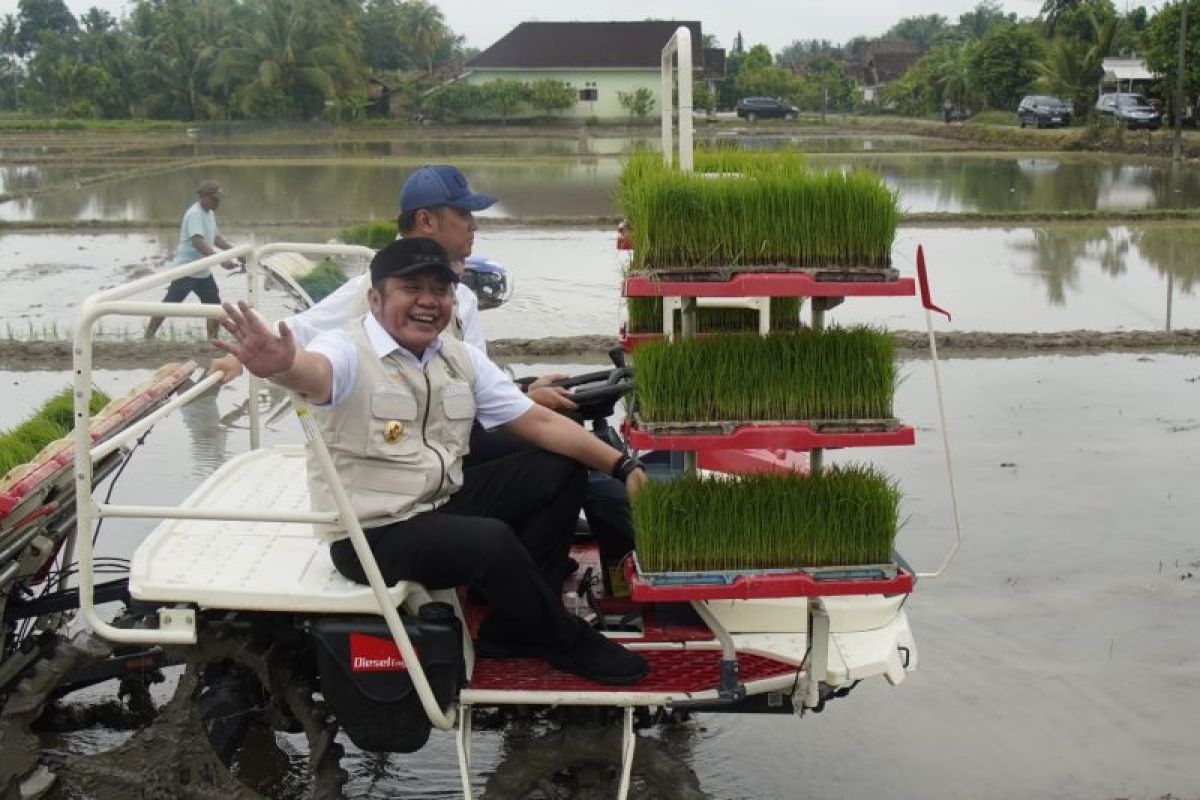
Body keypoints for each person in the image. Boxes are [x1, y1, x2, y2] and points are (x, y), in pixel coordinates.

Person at [213, 238, 650, 686]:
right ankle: (564, 640)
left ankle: (520, 623)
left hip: (434, 505)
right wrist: (282, 367)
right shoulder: (346, 350)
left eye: (440, 290)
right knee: (489, 540)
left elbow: (538, 421)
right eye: (411, 287)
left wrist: (623, 467)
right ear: (376, 298)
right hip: (373, 534)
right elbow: (314, 373)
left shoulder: (456, 358)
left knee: (556, 467)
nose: (428, 301)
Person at [212, 165, 637, 590]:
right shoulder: (374, 290)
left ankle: (532, 569)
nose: (473, 226)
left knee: (566, 448)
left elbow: (471, 378)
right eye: (464, 215)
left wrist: (525, 392)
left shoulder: (461, 295)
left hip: (450, 433)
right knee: (561, 456)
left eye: (438, 291)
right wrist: (250, 362)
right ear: (426, 221)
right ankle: (530, 572)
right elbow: (301, 338)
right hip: (416, 453)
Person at [146, 179, 244, 340]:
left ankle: (212, 339)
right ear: (203, 197)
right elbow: (198, 242)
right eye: (214, 198)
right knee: (169, 305)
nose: (217, 202)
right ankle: (148, 336)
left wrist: (237, 253)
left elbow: (217, 239)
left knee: (214, 306)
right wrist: (220, 260)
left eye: (218, 199)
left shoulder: (209, 213)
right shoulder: (195, 214)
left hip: (202, 271)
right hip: (187, 270)